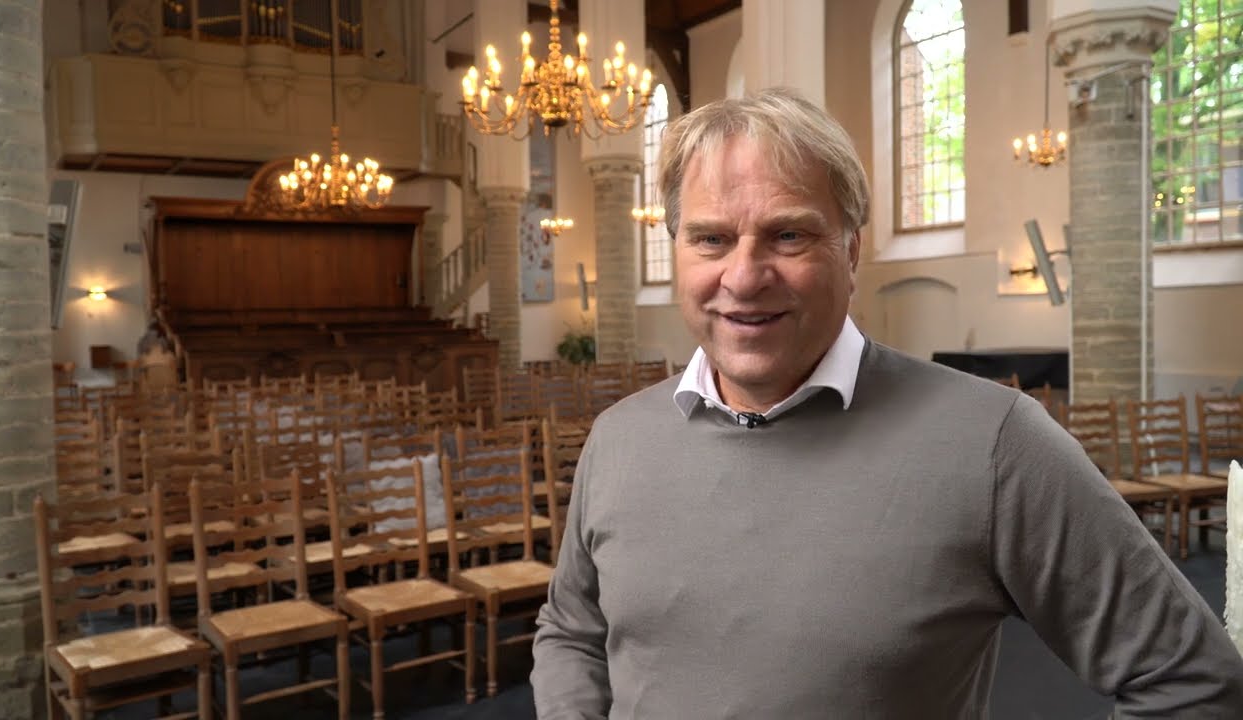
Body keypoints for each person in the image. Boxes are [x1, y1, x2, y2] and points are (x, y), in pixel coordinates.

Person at [531, 87, 1243, 717]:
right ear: (677, 248)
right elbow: (570, 632)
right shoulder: (620, 438)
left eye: (789, 234)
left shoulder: (993, 443)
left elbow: (1188, 681)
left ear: (850, 250)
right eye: (711, 239)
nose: (744, 277)